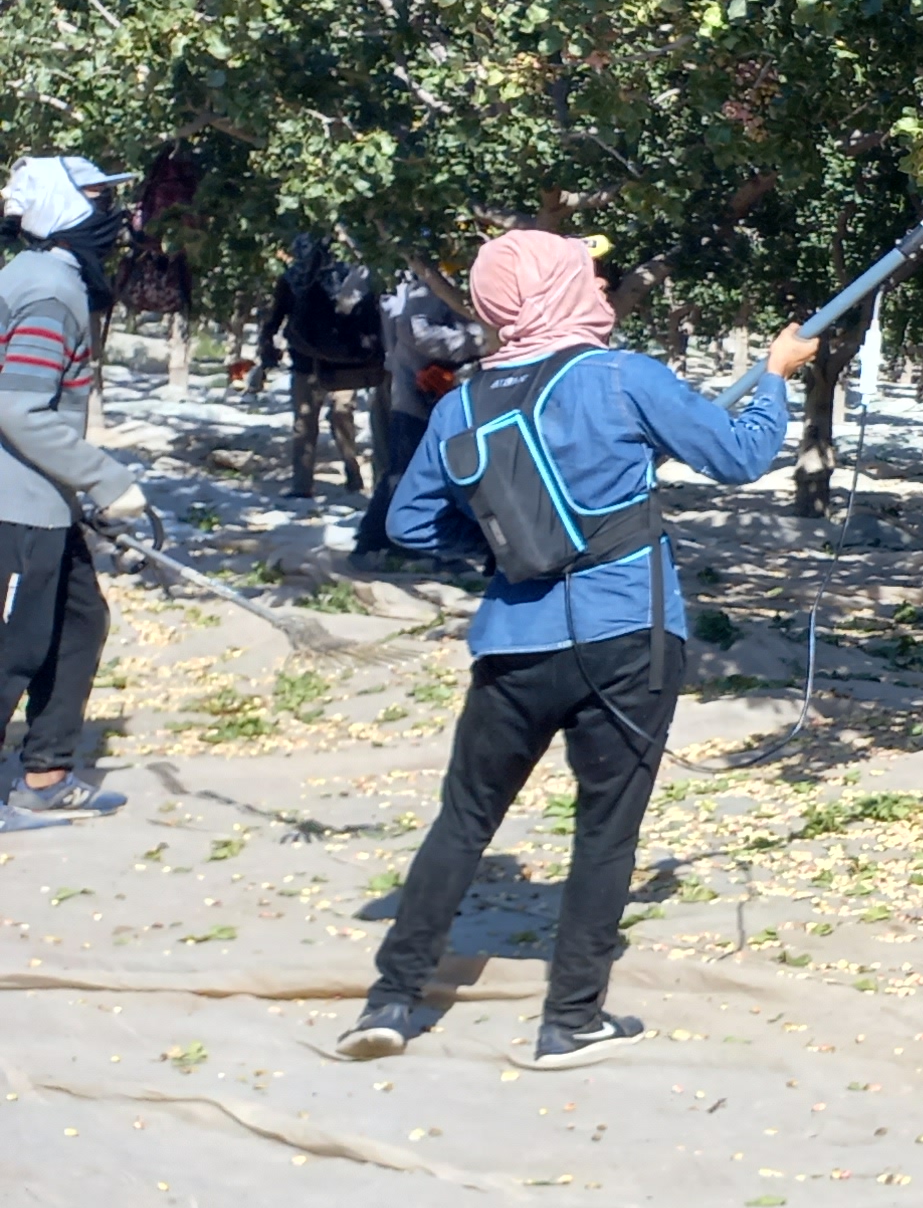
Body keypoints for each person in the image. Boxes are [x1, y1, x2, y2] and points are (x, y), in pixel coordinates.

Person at [339, 230, 817, 1068]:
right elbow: (740, 455)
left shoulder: (462, 404)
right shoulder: (622, 377)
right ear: (555, 290)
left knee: (464, 819)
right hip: (628, 634)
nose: (599, 283)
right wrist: (775, 377)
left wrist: (504, 542)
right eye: (585, 273)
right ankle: (570, 1019)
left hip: (512, 641)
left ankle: (391, 999)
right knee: (605, 831)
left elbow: (410, 523)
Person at [0, 154, 148, 827]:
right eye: (98, 199)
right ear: (63, 208)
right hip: (16, 505)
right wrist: (106, 478)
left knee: (79, 623)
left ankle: (47, 775)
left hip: (46, 499)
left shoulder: (42, 275)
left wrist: (76, 494)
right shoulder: (48, 290)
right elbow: (19, 408)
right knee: (14, 650)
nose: (113, 216)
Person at [353, 256, 482, 563]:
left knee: (430, 471)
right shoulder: (431, 284)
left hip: (443, 395)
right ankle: (379, 542)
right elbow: (415, 331)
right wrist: (480, 341)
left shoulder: (456, 279)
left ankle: (388, 542)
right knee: (406, 471)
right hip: (419, 393)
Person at [258, 232, 384, 501]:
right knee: (321, 420)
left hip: (329, 364)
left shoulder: (342, 280)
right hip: (330, 364)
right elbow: (276, 315)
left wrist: (267, 347)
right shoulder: (325, 279)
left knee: (325, 419)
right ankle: (311, 483)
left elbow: (274, 318)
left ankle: (341, 476)